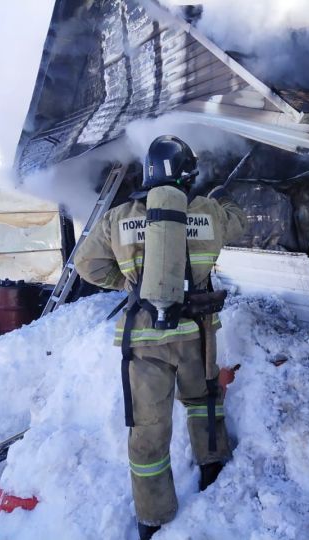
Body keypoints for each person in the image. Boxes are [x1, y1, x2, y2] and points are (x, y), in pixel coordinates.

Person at [74, 136, 246, 540]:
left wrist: (131, 287)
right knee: (203, 403)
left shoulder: (119, 218)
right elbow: (238, 222)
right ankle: (212, 468)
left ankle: (153, 517)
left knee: (149, 429)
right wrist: (223, 197)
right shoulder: (207, 213)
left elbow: (86, 265)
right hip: (197, 336)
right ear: (188, 174)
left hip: (145, 339)